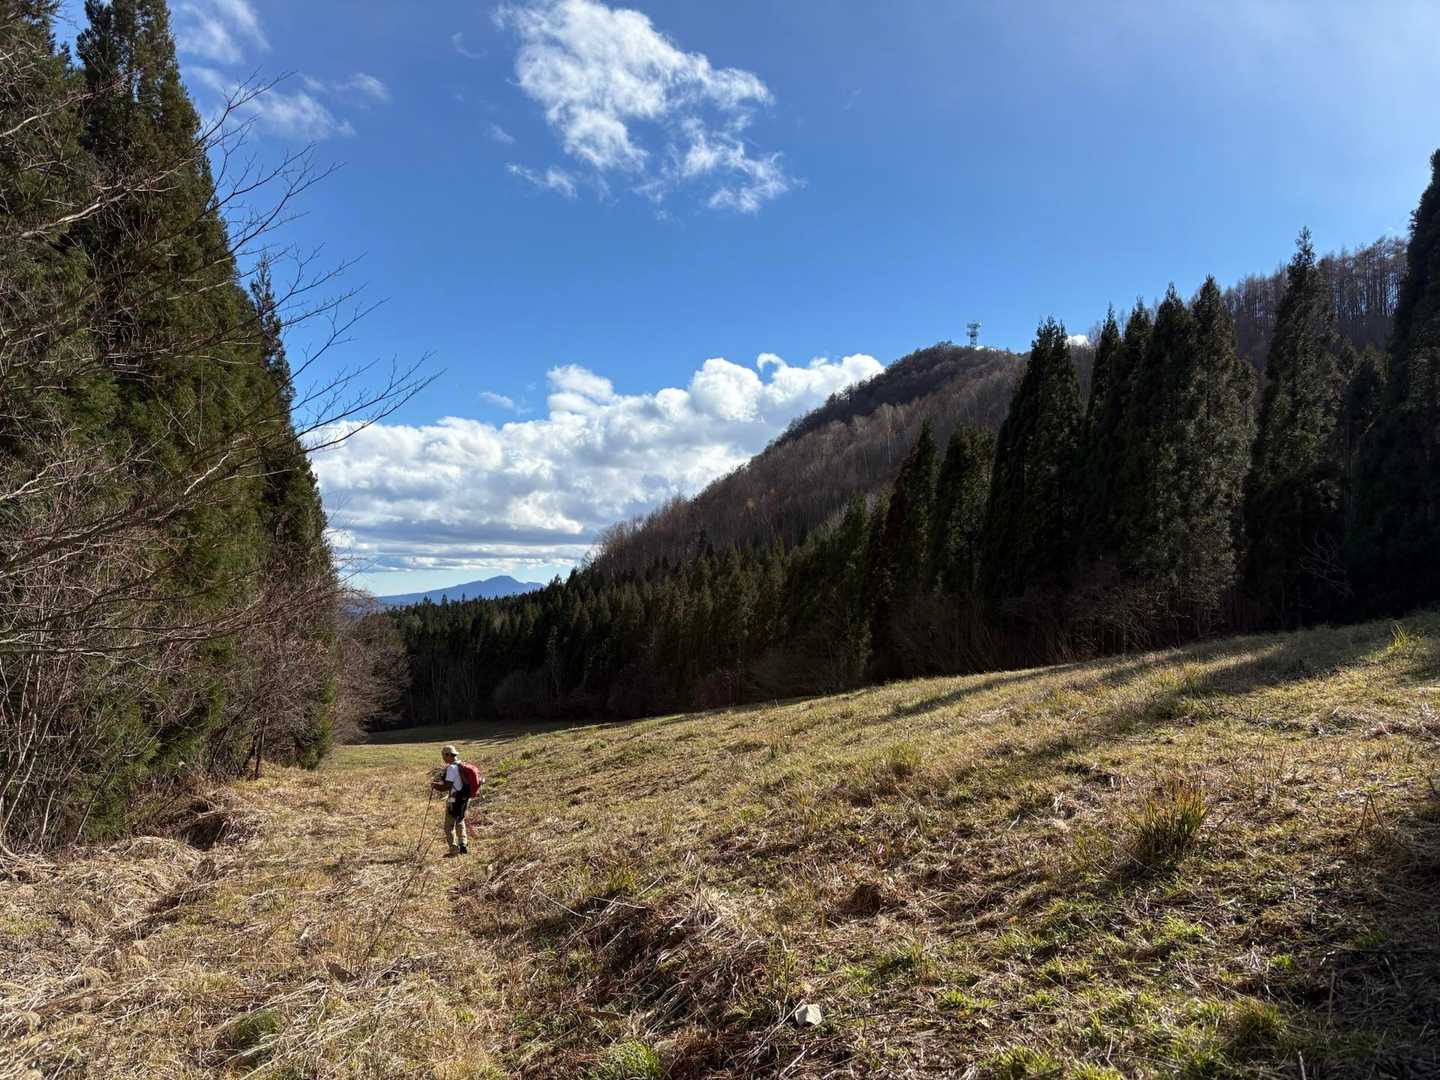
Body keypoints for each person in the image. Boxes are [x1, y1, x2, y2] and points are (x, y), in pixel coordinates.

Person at [431, 744, 470, 857]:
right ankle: (463, 844)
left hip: (454, 800)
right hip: (464, 798)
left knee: (448, 826)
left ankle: (454, 850)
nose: (443, 758)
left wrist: (435, 786)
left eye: (443, 755)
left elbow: (447, 786)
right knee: (460, 821)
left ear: (448, 755)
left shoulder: (452, 768)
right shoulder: (462, 764)